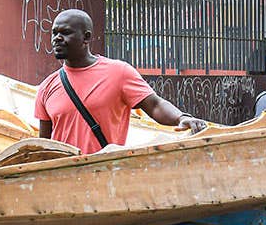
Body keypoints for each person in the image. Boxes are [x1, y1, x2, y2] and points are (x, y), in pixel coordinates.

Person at [34, 9, 206, 154]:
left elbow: (154, 105)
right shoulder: (46, 87)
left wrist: (181, 118)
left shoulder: (119, 73)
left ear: (86, 38)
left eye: (65, 32)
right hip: (62, 182)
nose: (57, 38)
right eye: (54, 33)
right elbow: (45, 147)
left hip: (106, 176)